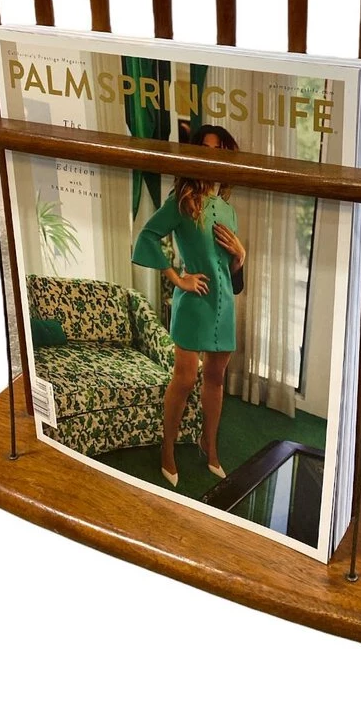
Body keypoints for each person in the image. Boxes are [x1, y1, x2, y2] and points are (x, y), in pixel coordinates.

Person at [131, 125, 246, 488]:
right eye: (207, 149)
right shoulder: (182, 201)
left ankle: (209, 446)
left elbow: (229, 271)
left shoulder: (228, 211)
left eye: (221, 151)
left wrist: (241, 257)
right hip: (194, 303)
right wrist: (178, 279)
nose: (213, 157)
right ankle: (167, 448)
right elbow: (147, 236)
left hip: (223, 305)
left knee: (216, 378)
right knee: (185, 378)